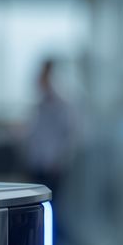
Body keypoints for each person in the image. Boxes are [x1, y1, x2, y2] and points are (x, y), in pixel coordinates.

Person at [23, 59, 76, 198]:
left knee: (53, 203)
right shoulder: (40, 105)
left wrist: (59, 159)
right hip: (37, 163)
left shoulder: (61, 105)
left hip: (53, 165)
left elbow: (68, 134)